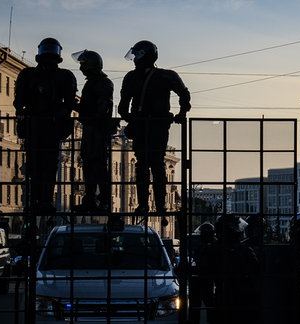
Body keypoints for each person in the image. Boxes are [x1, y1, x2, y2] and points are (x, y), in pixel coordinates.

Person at [118, 40, 191, 214]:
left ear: (143, 55)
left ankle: (143, 205)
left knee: (142, 165)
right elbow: (184, 94)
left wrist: (133, 120)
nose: (134, 58)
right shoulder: (167, 76)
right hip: (159, 126)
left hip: (142, 127)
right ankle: (161, 205)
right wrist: (181, 114)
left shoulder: (131, 77)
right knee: (157, 165)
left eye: (136, 54)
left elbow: (122, 108)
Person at [14, 37, 77, 214]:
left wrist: (61, 113)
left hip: (45, 125)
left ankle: (41, 201)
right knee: (42, 165)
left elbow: (69, 103)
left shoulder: (31, 75)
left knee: (42, 165)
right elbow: (19, 101)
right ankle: (40, 201)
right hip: (43, 125)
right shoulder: (33, 75)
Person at [70, 50, 115, 213]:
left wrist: (81, 109)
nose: (81, 67)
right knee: (89, 165)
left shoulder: (103, 83)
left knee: (98, 166)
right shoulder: (93, 82)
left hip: (97, 129)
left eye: (83, 63)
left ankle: (102, 201)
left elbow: (100, 108)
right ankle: (90, 200)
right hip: (91, 127)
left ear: (90, 65)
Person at [212, 214, 260, 324]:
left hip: (224, 296)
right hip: (243, 297)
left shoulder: (214, 249)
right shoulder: (244, 249)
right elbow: (256, 270)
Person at [189, 222, 218, 324]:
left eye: (202, 233)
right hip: (206, 280)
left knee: (203, 305)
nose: (200, 236)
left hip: (205, 280)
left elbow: (202, 264)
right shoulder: (210, 245)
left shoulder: (209, 246)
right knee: (209, 305)